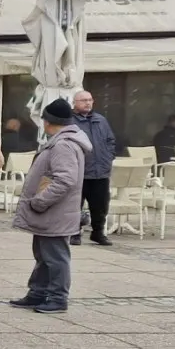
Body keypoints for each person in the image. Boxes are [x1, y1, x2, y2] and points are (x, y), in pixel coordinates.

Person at [11, 98, 90, 314]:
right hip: (52, 213)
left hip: (54, 211)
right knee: (44, 255)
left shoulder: (63, 144)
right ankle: (37, 293)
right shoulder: (62, 141)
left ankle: (57, 297)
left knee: (56, 257)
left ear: (47, 121)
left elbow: (65, 180)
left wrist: (40, 200)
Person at [72, 90, 118, 246]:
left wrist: (108, 157)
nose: (87, 103)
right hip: (80, 171)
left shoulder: (101, 120)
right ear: (75, 103)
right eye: (83, 100)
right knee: (75, 204)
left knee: (100, 205)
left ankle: (98, 232)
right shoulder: (70, 122)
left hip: (101, 171)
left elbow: (110, 140)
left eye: (90, 100)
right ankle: (74, 232)